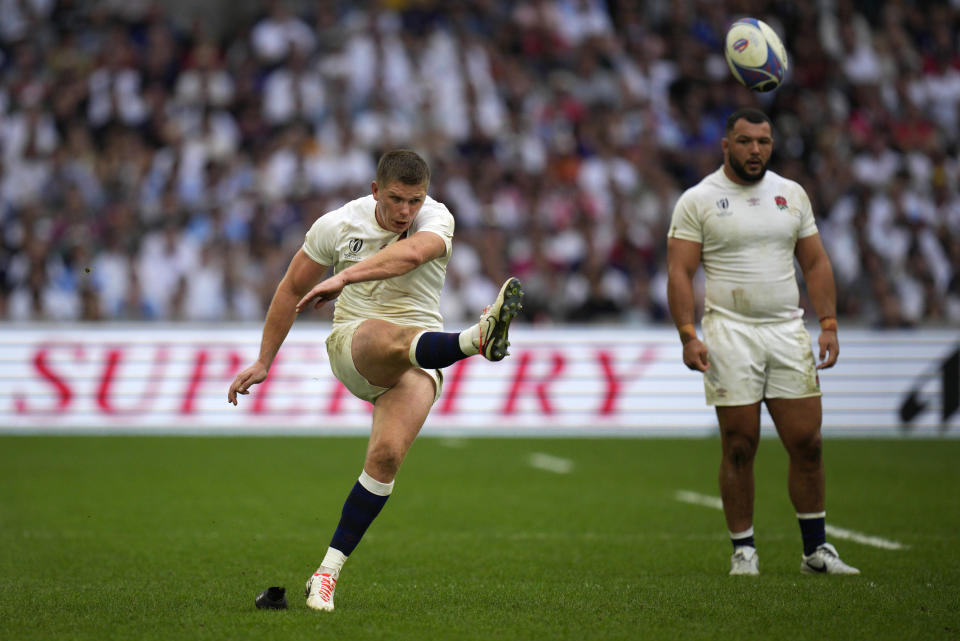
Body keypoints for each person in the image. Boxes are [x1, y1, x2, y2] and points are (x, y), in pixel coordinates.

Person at [227, 149, 524, 610]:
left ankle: (325, 574)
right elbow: (289, 288)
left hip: (420, 357)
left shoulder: (437, 218)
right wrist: (265, 360)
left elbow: (409, 256)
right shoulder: (338, 226)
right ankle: (473, 341)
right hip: (355, 344)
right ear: (374, 191)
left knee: (384, 460)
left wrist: (345, 279)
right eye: (396, 199)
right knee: (382, 336)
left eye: (414, 200)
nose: (406, 210)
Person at [665, 108, 859, 577]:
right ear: (726, 145)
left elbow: (814, 263)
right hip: (729, 331)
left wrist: (828, 322)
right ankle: (744, 551)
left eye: (764, 142)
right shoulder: (700, 199)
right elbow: (680, 272)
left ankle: (816, 551)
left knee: (808, 442)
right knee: (739, 443)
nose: (756, 150)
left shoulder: (790, 195)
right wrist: (689, 335)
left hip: (787, 331)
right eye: (746, 141)